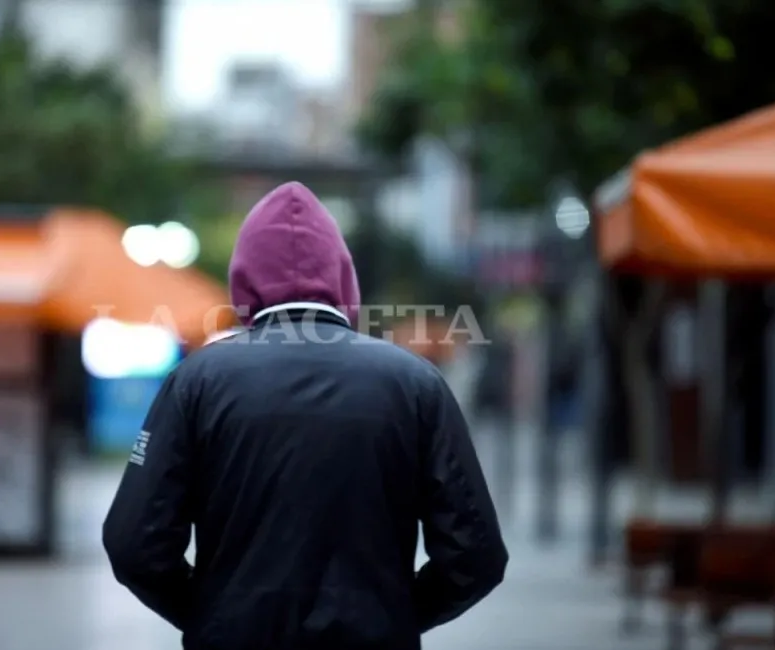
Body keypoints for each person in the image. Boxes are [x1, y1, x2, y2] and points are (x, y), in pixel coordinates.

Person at [103, 182, 508, 650]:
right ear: (343, 277)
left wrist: (212, 613)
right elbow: (477, 554)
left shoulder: (197, 381)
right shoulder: (416, 383)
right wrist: (394, 615)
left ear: (243, 280)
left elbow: (134, 543)